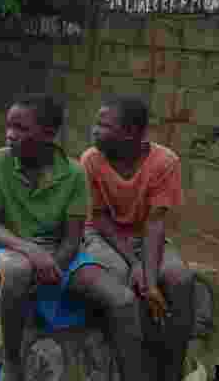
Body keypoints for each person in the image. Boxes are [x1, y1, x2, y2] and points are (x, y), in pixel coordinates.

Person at [0, 94, 144, 381]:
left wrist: (52, 266)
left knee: (124, 301)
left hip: (61, 253)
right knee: (18, 271)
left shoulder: (74, 173)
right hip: (10, 247)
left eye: (20, 128)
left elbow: (72, 238)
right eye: (9, 126)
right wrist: (31, 251)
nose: (10, 135)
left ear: (48, 134)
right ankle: (12, 360)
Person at [82, 95, 194, 381]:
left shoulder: (164, 162)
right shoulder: (91, 160)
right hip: (102, 236)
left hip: (147, 237)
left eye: (104, 125)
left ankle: (172, 371)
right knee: (120, 279)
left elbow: (155, 224)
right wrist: (136, 263)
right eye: (97, 123)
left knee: (180, 280)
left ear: (130, 132)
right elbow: (98, 218)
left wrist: (152, 278)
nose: (94, 130)